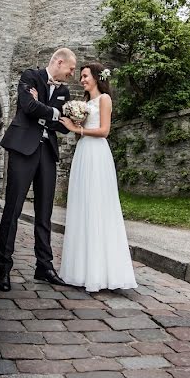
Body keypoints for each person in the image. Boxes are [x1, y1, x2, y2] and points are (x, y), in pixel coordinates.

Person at [0, 48, 77, 291]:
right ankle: (4, 268)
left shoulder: (63, 91)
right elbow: (27, 106)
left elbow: (63, 127)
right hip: (22, 148)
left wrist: (43, 109)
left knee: (45, 212)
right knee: (13, 208)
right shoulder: (30, 76)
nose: (72, 73)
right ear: (59, 62)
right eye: (71, 68)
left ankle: (44, 266)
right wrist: (51, 112)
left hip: (47, 153)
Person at [57, 63, 137, 292]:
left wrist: (77, 129)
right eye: (81, 76)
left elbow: (104, 131)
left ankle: (101, 272)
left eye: (85, 76)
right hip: (83, 153)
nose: (81, 80)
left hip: (97, 153)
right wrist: (76, 126)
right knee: (82, 206)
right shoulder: (85, 103)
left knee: (98, 206)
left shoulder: (104, 100)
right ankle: (81, 270)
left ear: (96, 78)